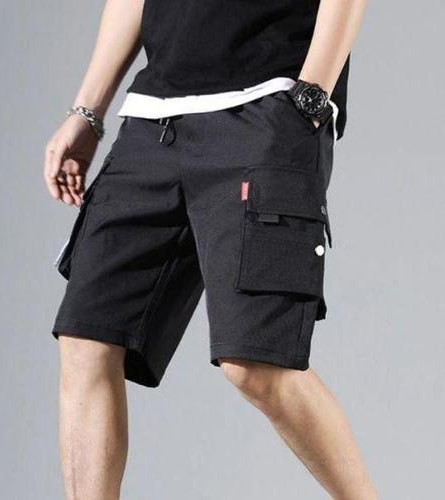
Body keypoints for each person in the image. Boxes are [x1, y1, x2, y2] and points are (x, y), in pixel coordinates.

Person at [44, 0, 376, 498]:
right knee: (85, 339)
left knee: (256, 364)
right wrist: (87, 113)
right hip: (152, 122)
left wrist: (311, 95)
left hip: (262, 107)